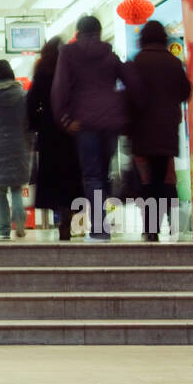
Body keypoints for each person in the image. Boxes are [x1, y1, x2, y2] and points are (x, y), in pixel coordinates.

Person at [51, 15, 131, 242]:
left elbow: (59, 89)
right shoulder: (109, 54)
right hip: (110, 122)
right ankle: (101, 224)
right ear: (99, 31)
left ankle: (99, 228)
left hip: (84, 122)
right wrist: (123, 111)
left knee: (92, 175)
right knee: (103, 175)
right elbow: (129, 81)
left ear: (78, 32)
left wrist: (64, 119)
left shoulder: (68, 53)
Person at [125, 20, 193, 241]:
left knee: (147, 181)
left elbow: (130, 95)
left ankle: (150, 228)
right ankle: (160, 225)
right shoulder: (173, 63)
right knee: (162, 179)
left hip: (142, 131)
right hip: (166, 131)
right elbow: (185, 92)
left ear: (143, 37)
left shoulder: (138, 62)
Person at [26, 37, 82, 241]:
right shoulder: (72, 70)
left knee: (53, 176)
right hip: (71, 130)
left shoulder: (42, 72)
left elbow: (31, 103)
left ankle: (61, 214)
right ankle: (68, 212)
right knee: (71, 174)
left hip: (49, 131)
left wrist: (37, 125)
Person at [0, 59, 33, 240]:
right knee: (17, 188)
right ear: (11, 74)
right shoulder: (24, 96)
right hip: (19, 145)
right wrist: (29, 144)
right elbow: (28, 124)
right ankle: (19, 220)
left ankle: (3, 230)